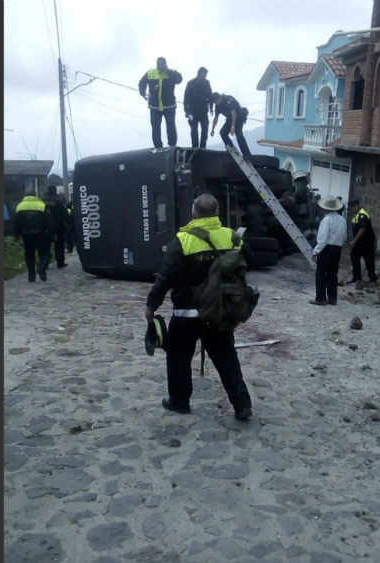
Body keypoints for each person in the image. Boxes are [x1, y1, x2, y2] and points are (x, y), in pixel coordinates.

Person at [145, 194, 256, 420]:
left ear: (194, 213)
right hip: (219, 313)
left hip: (186, 314)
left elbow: (165, 276)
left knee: (178, 357)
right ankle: (242, 404)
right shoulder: (232, 237)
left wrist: (151, 305)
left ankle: (179, 401)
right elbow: (250, 262)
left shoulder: (183, 240)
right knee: (226, 358)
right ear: (217, 214)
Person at [310, 195, 347, 306]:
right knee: (332, 273)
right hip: (337, 248)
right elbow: (344, 236)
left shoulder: (326, 220)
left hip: (327, 248)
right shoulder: (342, 220)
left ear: (325, 209)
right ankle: (332, 297)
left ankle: (321, 298)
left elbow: (322, 239)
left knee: (321, 273)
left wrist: (316, 251)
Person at [139, 57, 183, 149]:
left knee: (170, 127)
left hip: (169, 106)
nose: (160, 66)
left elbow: (179, 80)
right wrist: (143, 93)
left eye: (162, 65)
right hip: (154, 107)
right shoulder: (151, 72)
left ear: (165, 64)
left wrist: (168, 71)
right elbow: (141, 83)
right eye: (158, 64)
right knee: (155, 128)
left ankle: (172, 146)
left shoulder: (171, 73)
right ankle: (158, 147)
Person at [13, 188, 56, 282]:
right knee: (44, 253)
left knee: (29, 254)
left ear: (26, 195)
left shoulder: (20, 206)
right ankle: (42, 268)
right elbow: (49, 220)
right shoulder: (41, 205)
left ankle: (31, 276)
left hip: (26, 234)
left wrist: (16, 234)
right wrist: (52, 232)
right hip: (40, 233)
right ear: (35, 196)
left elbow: (16, 221)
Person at [347, 199, 378, 289]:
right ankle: (357, 277)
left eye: (351, 208)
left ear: (355, 206)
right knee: (354, 256)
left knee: (369, 259)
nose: (350, 210)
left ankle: (372, 278)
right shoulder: (356, 214)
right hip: (360, 242)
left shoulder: (362, 215)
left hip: (366, 242)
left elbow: (362, 229)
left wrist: (354, 241)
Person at [210, 92, 252, 159]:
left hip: (239, 116)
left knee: (238, 133)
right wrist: (212, 129)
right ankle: (231, 149)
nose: (216, 103)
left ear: (220, 97)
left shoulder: (227, 101)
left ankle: (247, 154)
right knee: (222, 133)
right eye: (215, 102)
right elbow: (216, 118)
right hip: (230, 118)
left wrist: (233, 127)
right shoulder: (217, 106)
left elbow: (234, 114)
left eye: (217, 101)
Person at [184, 67, 214, 149]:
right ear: (198, 75)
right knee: (194, 130)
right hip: (193, 111)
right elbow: (186, 98)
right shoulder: (190, 83)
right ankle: (195, 147)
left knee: (205, 129)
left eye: (205, 76)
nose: (203, 78)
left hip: (204, 111)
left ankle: (203, 147)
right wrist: (186, 111)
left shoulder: (207, 83)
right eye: (202, 76)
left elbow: (210, 96)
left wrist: (211, 107)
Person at [43, 185, 69, 268]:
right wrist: (67, 223)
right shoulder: (59, 201)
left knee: (45, 246)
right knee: (59, 245)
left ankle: (45, 263)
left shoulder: (42, 200)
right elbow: (65, 213)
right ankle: (60, 263)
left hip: (45, 227)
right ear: (55, 191)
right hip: (59, 226)